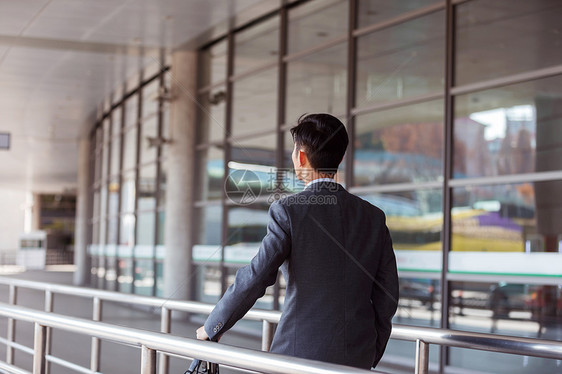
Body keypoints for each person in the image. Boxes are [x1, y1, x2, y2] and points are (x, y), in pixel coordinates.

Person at [196, 113, 399, 369]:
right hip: (356, 359)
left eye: (294, 151)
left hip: (298, 356)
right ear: (340, 157)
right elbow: (387, 295)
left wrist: (213, 325)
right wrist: (369, 351)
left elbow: (257, 276)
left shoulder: (289, 211)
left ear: (301, 156)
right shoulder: (373, 217)